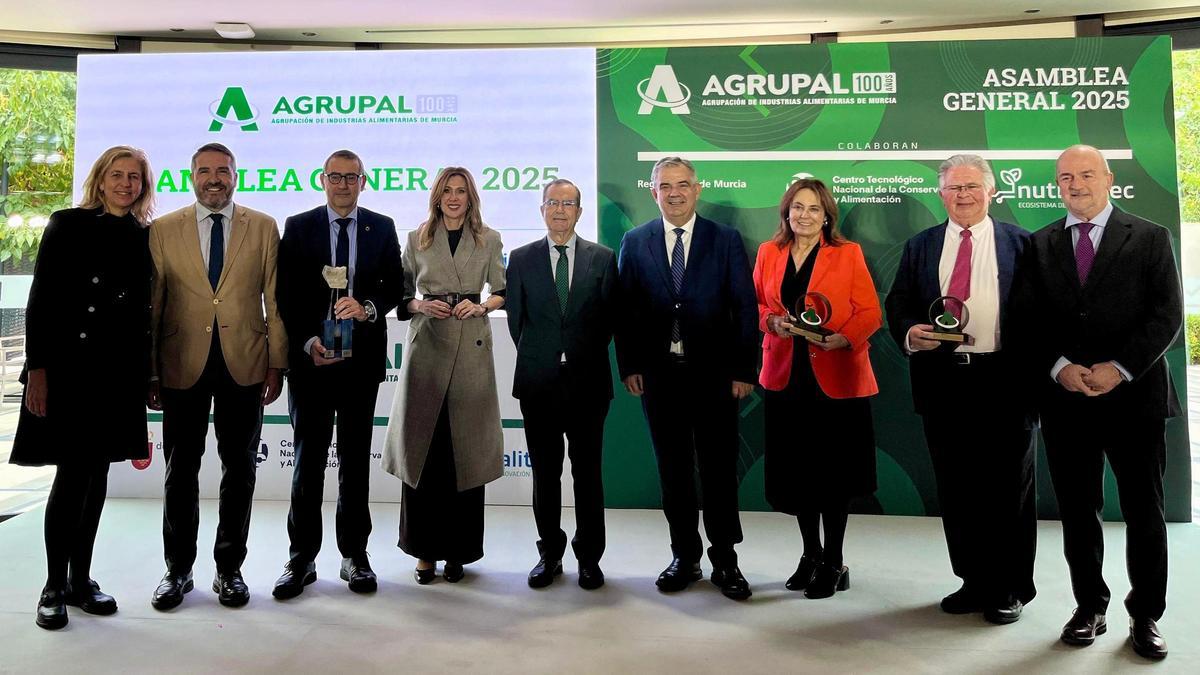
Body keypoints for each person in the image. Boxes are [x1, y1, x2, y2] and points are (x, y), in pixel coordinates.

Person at [1013, 144, 1181, 660]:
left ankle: (1146, 614)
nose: (1075, 185)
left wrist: (1120, 368)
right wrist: (1061, 368)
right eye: (1065, 177)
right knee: (1077, 512)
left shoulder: (1151, 237)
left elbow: (1166, 315)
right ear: (1057, 186)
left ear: (1109, 178)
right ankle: (1089, 606)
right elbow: (1026, 320)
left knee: (1143, 511)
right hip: (1067, 401)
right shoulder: (1038, 245)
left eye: (1086, 174)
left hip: (1135, 397)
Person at [884, 154, 1036, 623]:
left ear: (992, 192)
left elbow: (1045, 313)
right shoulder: (921, 246)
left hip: (1006, 381)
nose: (963, 195)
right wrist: (910, 333)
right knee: (958, 485)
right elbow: (900, 303)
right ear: (941, 193)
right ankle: (973, 580)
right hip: (945, 381)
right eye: (954, 188)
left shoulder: (1024, 244)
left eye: (972, 187)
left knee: (1010, 487)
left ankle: (1008, 586)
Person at [11, 146, 155, 630]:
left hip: (118, 376)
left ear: (143, 186)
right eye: (118, 175)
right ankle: (52, 585)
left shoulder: (143, 235)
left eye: (134, 177)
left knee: (96, 482)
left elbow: (143, 314)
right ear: (100, 178)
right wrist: (38, 369)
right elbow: (41, 301)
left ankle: (81, 580)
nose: (125, 184)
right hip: (69, 372)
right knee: (71, 479)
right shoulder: (65, 223)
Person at [147, 142, 287, 610]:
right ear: (191, 177)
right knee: (179, 471)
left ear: (235, 175)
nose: (214, 178)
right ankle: (177, 570)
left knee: (240, 469)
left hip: (244, 362)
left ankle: (229, 569)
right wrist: (151, 370)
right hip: (180, 364)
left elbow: (275, 301)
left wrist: (277, 361)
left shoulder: (264, 227)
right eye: (204, 171)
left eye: (222, 171)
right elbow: (156, 305)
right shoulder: (163, 230)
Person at [615, 156, 758, 600]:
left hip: (716, 376)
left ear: (697, 190)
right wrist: (630, 365)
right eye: (665, 186)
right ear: (652, 192)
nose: (674, 193)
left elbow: (745, 307)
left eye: (683, 184)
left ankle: (726, 560)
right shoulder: (635, 242)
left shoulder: (725, 239)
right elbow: (626, 311)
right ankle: (684, 556)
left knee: (717, 470)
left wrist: (743, 369)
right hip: (660, 377)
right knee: (673, 471)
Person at [271, 150, 403, 599]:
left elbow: (393, 285)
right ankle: (301, 559)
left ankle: (355, 555)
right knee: (307, 461)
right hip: (312, 362)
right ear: (322, 180)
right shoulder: (298, 225)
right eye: (335, 176)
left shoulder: (381, 227)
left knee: (353, 460)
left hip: (360, 361)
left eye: (351, 177)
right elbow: (285, 293)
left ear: (363, 182)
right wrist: (309, 343)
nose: (343, 184)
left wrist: (366, 307)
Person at [753, 178, 881, 599]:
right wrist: (771, 322)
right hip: (786, 379)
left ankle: (834, 561)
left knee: (834, 476)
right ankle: (810, 554)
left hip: (836, 379)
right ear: (786, 212)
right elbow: (755, 304)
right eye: (796, 207)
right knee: (797, 474)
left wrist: (843, 338)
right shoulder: (769, 253)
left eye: (812, 209)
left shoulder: (848, 254)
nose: (803, 216)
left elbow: (869, 312)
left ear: (827, 215)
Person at [381, 167, 506, 584]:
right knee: (426, 453)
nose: (454, 198)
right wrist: (419, 307)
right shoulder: (417, 238)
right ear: (437, 196)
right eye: (447, 191)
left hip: (471, 344)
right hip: (428, 347)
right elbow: (398, 294)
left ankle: (459, 552)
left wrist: (484, 306)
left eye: (461, 191)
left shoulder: (489, 238)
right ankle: (423, 553)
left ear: (471, 197)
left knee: (465, 453)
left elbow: (502, 288)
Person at [506, 179, 618, 590]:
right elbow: (518, 322)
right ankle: (549, 554)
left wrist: (576, 354)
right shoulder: (520, 258)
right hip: (539, 384)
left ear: (579, 211)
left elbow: (608, 321)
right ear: (542, 209)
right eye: (552, 202)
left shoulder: (603, 258)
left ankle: (589, 558)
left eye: (567, 203)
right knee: (546, 475)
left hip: (588, 384)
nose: (559, 210)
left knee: (588, 475)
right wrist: (546, 355)